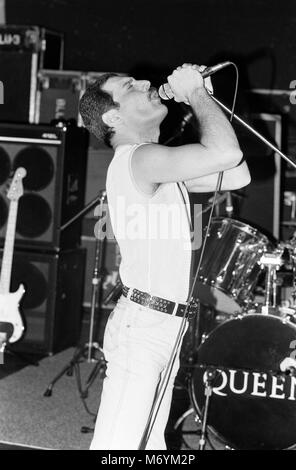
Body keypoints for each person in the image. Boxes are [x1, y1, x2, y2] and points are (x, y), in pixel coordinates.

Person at [79, 63, 251, 450]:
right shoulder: (139, 158)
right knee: (118, 448)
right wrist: (195, 94)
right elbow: (226, 151)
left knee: (148, 445)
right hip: (143, 326)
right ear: (113, 116)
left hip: (161, 326)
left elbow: (236, 174)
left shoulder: (153, 163)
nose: (144, 82)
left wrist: (203, 98)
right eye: (130, 85)